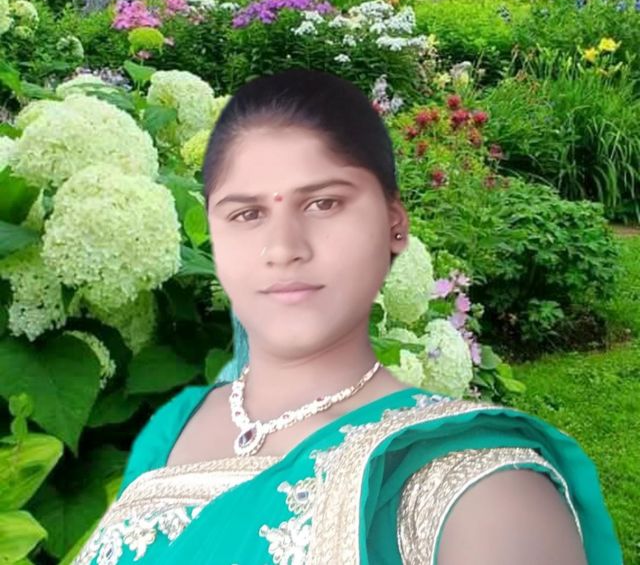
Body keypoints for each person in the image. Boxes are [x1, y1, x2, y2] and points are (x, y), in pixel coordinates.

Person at [74, 68, 623, 565]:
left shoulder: (480, 493)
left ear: (394, 224)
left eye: (323, 204)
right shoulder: (175, 426)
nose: (282, 248)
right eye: (246, 213)